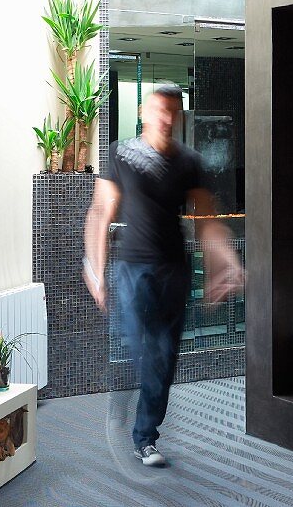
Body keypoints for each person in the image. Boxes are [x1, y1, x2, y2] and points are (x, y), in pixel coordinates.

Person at [82, 84, 244, 467]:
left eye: (174, 112)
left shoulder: (189, 162)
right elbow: (100, 212)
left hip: (174, 270)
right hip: (132, 270)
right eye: (159, 109)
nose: (167, 118)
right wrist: (95, 266)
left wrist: (225, 262)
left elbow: (207, 222)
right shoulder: (121, 153)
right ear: (144, 112)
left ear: (180, 116)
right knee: (144, 350)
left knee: (164, 356)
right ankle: (125, 404)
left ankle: (144, 437)